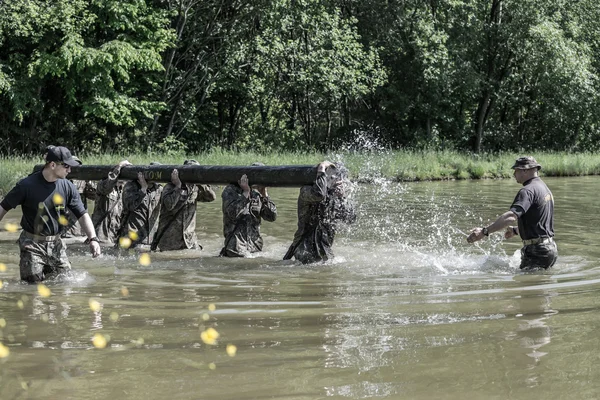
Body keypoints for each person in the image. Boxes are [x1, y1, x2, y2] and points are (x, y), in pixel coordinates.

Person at [0, 145, 101, 282]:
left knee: (65, 286)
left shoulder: (68, 187)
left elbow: (82, 214)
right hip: (32, 245)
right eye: (66, 166)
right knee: (33, 293)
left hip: (56, 245)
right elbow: (3, 208)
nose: (69, 170)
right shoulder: (26, 186)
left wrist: (93, 239)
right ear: (53, 165)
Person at [467, 156, 557, 270]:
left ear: (525, 170)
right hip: (550, 249)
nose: (514, 173)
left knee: (525, 286)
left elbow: (510, 216)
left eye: (516, 170)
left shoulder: (527, 191)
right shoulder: (544, 188)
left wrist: (484, 232)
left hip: (537, 252)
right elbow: (540, 222)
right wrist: (516, 230)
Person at [284, 161, 356, 263]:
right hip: (304, 247)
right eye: (334, 177)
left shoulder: (335, 198)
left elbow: (350, 219)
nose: (337, 181)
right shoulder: (307, 191)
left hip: (324, 249)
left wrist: (342, 197)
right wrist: (321, 169)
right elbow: (319, 194)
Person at [152, 160, 216, 251]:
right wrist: (178, 186)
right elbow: (169, 205)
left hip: (189, 240)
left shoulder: (195, 188)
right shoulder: (170, 187)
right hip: (170, 240)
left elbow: (211, 197)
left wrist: (201, 182)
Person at [220, 163, 277, 257]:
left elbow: (271, 217)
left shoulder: (256, 194)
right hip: (236, 248)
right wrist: (245, 193)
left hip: (255, 248)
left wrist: (265, 195)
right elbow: (232, 214)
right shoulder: (231, 190)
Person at [118, 162, 163, 248]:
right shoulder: (131, 186)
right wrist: (143, 190)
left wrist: (178, 187)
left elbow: (169, 207)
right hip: (132, 241)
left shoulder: (158, 189)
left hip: (150, 242)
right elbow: (130, 206)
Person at [91, 160, 131, 244]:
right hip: (100, 236)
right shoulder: (102, 185)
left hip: (113, 237)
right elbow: (108, 186)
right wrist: (119, 167)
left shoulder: (124, 191)